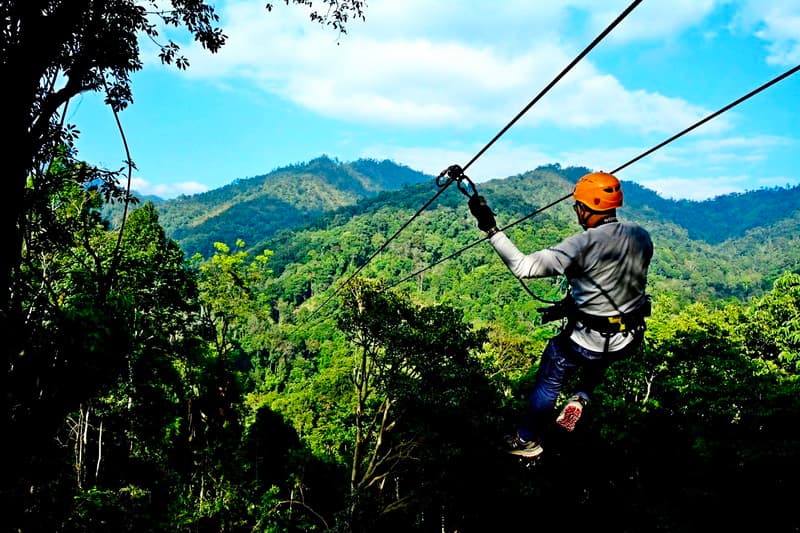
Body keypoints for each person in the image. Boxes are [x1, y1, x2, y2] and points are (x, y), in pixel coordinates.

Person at [467, 170, 653, 459]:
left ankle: (527, 440)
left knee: (555, 363)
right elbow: (611, 283)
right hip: (629, 337)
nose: (576, 212)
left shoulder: (582, 245)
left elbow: (524, 267)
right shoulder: (641, 236)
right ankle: (582, 395)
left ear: (585, 208)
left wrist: (490, 228)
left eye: (577, 206)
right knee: (602, 354)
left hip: (587, 341)